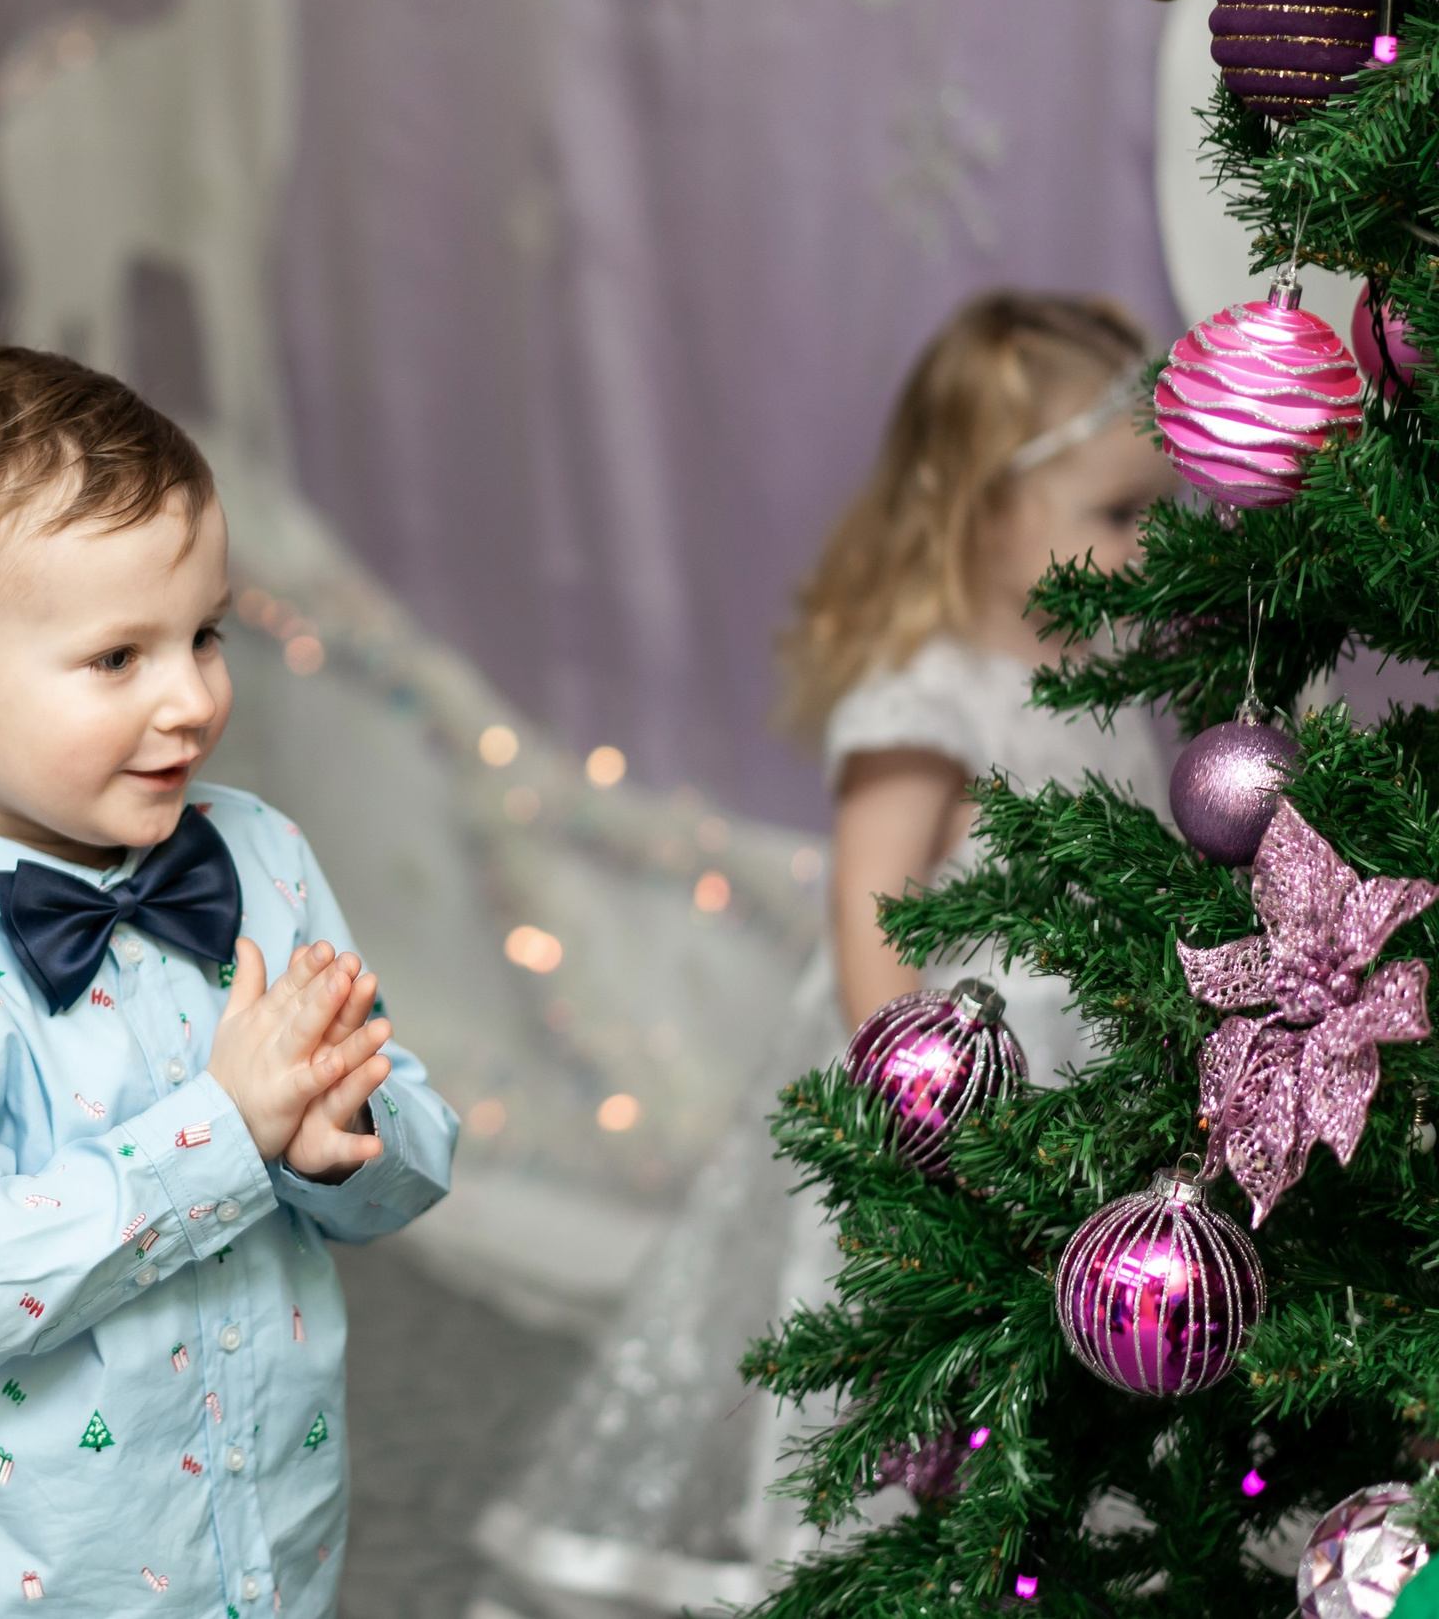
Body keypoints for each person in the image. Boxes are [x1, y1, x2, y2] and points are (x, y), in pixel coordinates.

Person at [476, 292, 1175, 1617]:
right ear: (985, 505)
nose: (1151, 551)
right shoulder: (932, 699)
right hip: (960, 1098)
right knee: (919, 1374)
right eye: (1119, 515)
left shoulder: (1096, 685)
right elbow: (872, 919)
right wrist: (916, 1135)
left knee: (1066, 1356)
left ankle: (1037, 1550)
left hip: (1087, 1088)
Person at [0, 344, 462, 1615]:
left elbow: (406, 1145)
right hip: (16, 1583)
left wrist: (331, 1133)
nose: (190, 697)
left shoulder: (259, 856)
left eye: (203, 635)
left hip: (265, 1537)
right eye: (118, 659)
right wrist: (225, 1131)